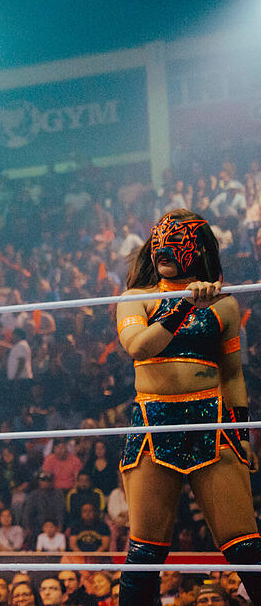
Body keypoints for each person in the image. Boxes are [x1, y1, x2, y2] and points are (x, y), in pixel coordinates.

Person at [115, 210, 261, 605]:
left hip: (212, 422)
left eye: (176, 242)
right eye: (159, 242)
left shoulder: (224, 305)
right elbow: (138, 347)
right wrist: (182, 305)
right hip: (154, 423)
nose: (164, 250)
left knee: (245, 544)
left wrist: (241, 435)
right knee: (145, 550)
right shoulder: (136, 298)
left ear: (198, 250)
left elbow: (233, 375)